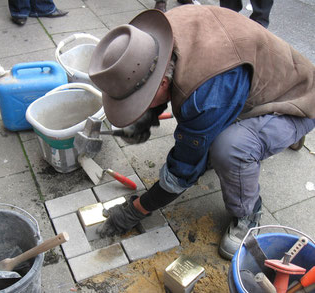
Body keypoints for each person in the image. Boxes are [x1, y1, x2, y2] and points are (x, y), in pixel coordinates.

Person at [88, 6, 314, 260]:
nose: (138, 107)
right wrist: (147, 118)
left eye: (140, 100)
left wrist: (137, 209)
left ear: (160, 84)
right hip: (260, 80)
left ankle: (249, 214)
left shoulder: (204, 96)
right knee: (205, 135)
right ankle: (270, 132)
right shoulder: (158, 37)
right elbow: (165, 83)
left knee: (229, 149)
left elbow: (181, 171)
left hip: (297, 97)